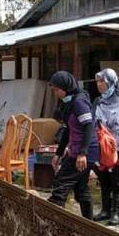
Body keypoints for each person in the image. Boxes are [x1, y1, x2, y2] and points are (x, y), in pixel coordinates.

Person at [48, 71, 99, 219]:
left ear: (66, 87)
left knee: (61, 183)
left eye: (57, 90)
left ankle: (53, 220)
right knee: (81, 187)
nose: (56, 93)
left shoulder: (79, 102)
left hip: (85, 150)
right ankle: (89, 225)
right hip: (76, 149)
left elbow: (88, 126)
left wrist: (82, 153)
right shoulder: (67, 103)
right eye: (54, 90)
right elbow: (67, 130)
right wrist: (58, 153)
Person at [92, 68, 119, 226]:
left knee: (118, 181)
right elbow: (94, 125)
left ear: (111, 82)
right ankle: (105, 210)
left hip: (118, 148)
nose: (99, 84)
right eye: (98, 81)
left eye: (102, 81)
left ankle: (117, 213)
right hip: (102, 149)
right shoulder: (98, 102)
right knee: (104, 181)